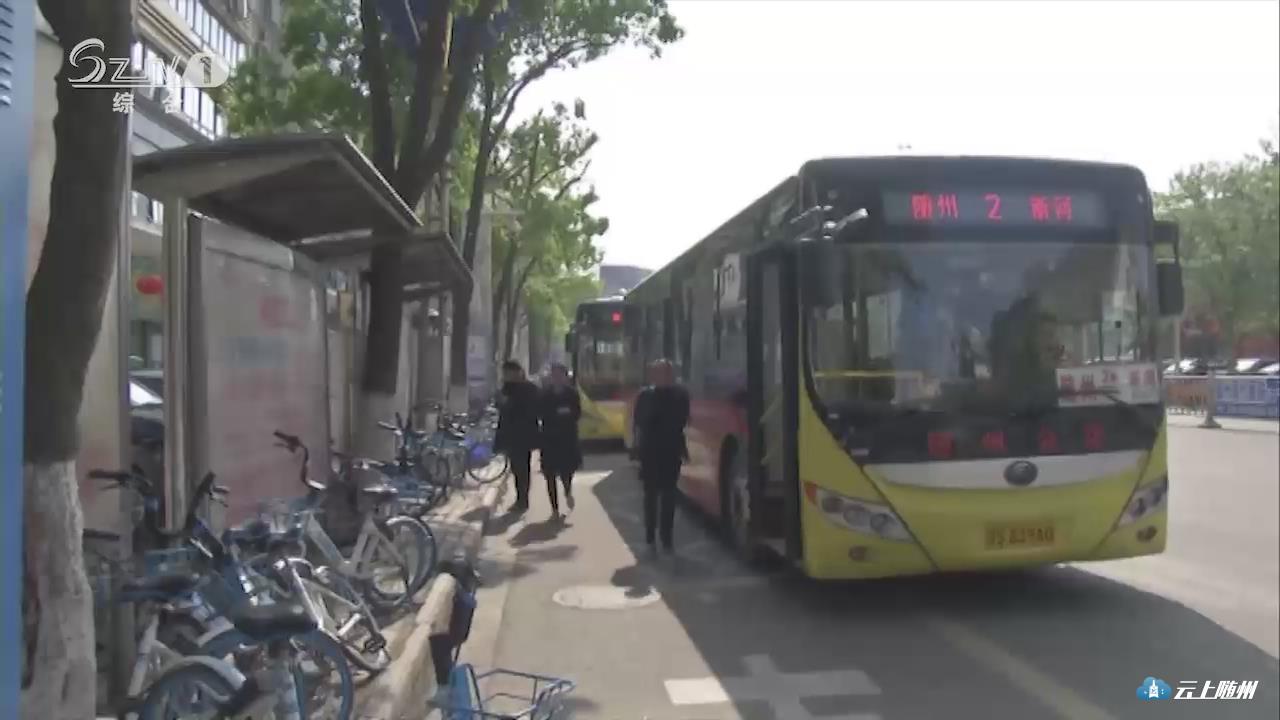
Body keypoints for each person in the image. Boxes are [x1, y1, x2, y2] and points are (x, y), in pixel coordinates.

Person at [633, 358, 690, 558]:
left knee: (669, 497)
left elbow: (681, 420)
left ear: (671, 375)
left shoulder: (680, 395)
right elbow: (639, 421)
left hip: (671, 452)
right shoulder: (645, 396)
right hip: (650, 453)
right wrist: (637, 449)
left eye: (665, 373)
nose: (661, 377)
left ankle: (667, 538)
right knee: (650, 497)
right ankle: (650, 537)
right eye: (657, 373)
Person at [537, 362, 582, 520]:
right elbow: (541, 412)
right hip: (549, 439)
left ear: (565, 376)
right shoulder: (545, 394)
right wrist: (556, 413)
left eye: (560, 375)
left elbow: (577, 413)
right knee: (549, 475)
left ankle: (568, 491)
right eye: (554, 374)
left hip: (567, 438)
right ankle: (554, 509)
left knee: (566, 471)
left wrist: (565, 413)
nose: (557, 378)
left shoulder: (572, 393)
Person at [494, 360, 540, 513]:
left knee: (522, 468)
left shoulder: (529, 389)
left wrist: (508, 404)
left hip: (523, 434)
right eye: (505, 373)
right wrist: (501, 402)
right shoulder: (506, 388)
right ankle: (520, 498)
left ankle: (523, 500)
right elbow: (501, 407)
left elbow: (532, 410)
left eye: (508, 372)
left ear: (518, 372)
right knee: (515, 468)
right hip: (509, 434)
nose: (506, 376)